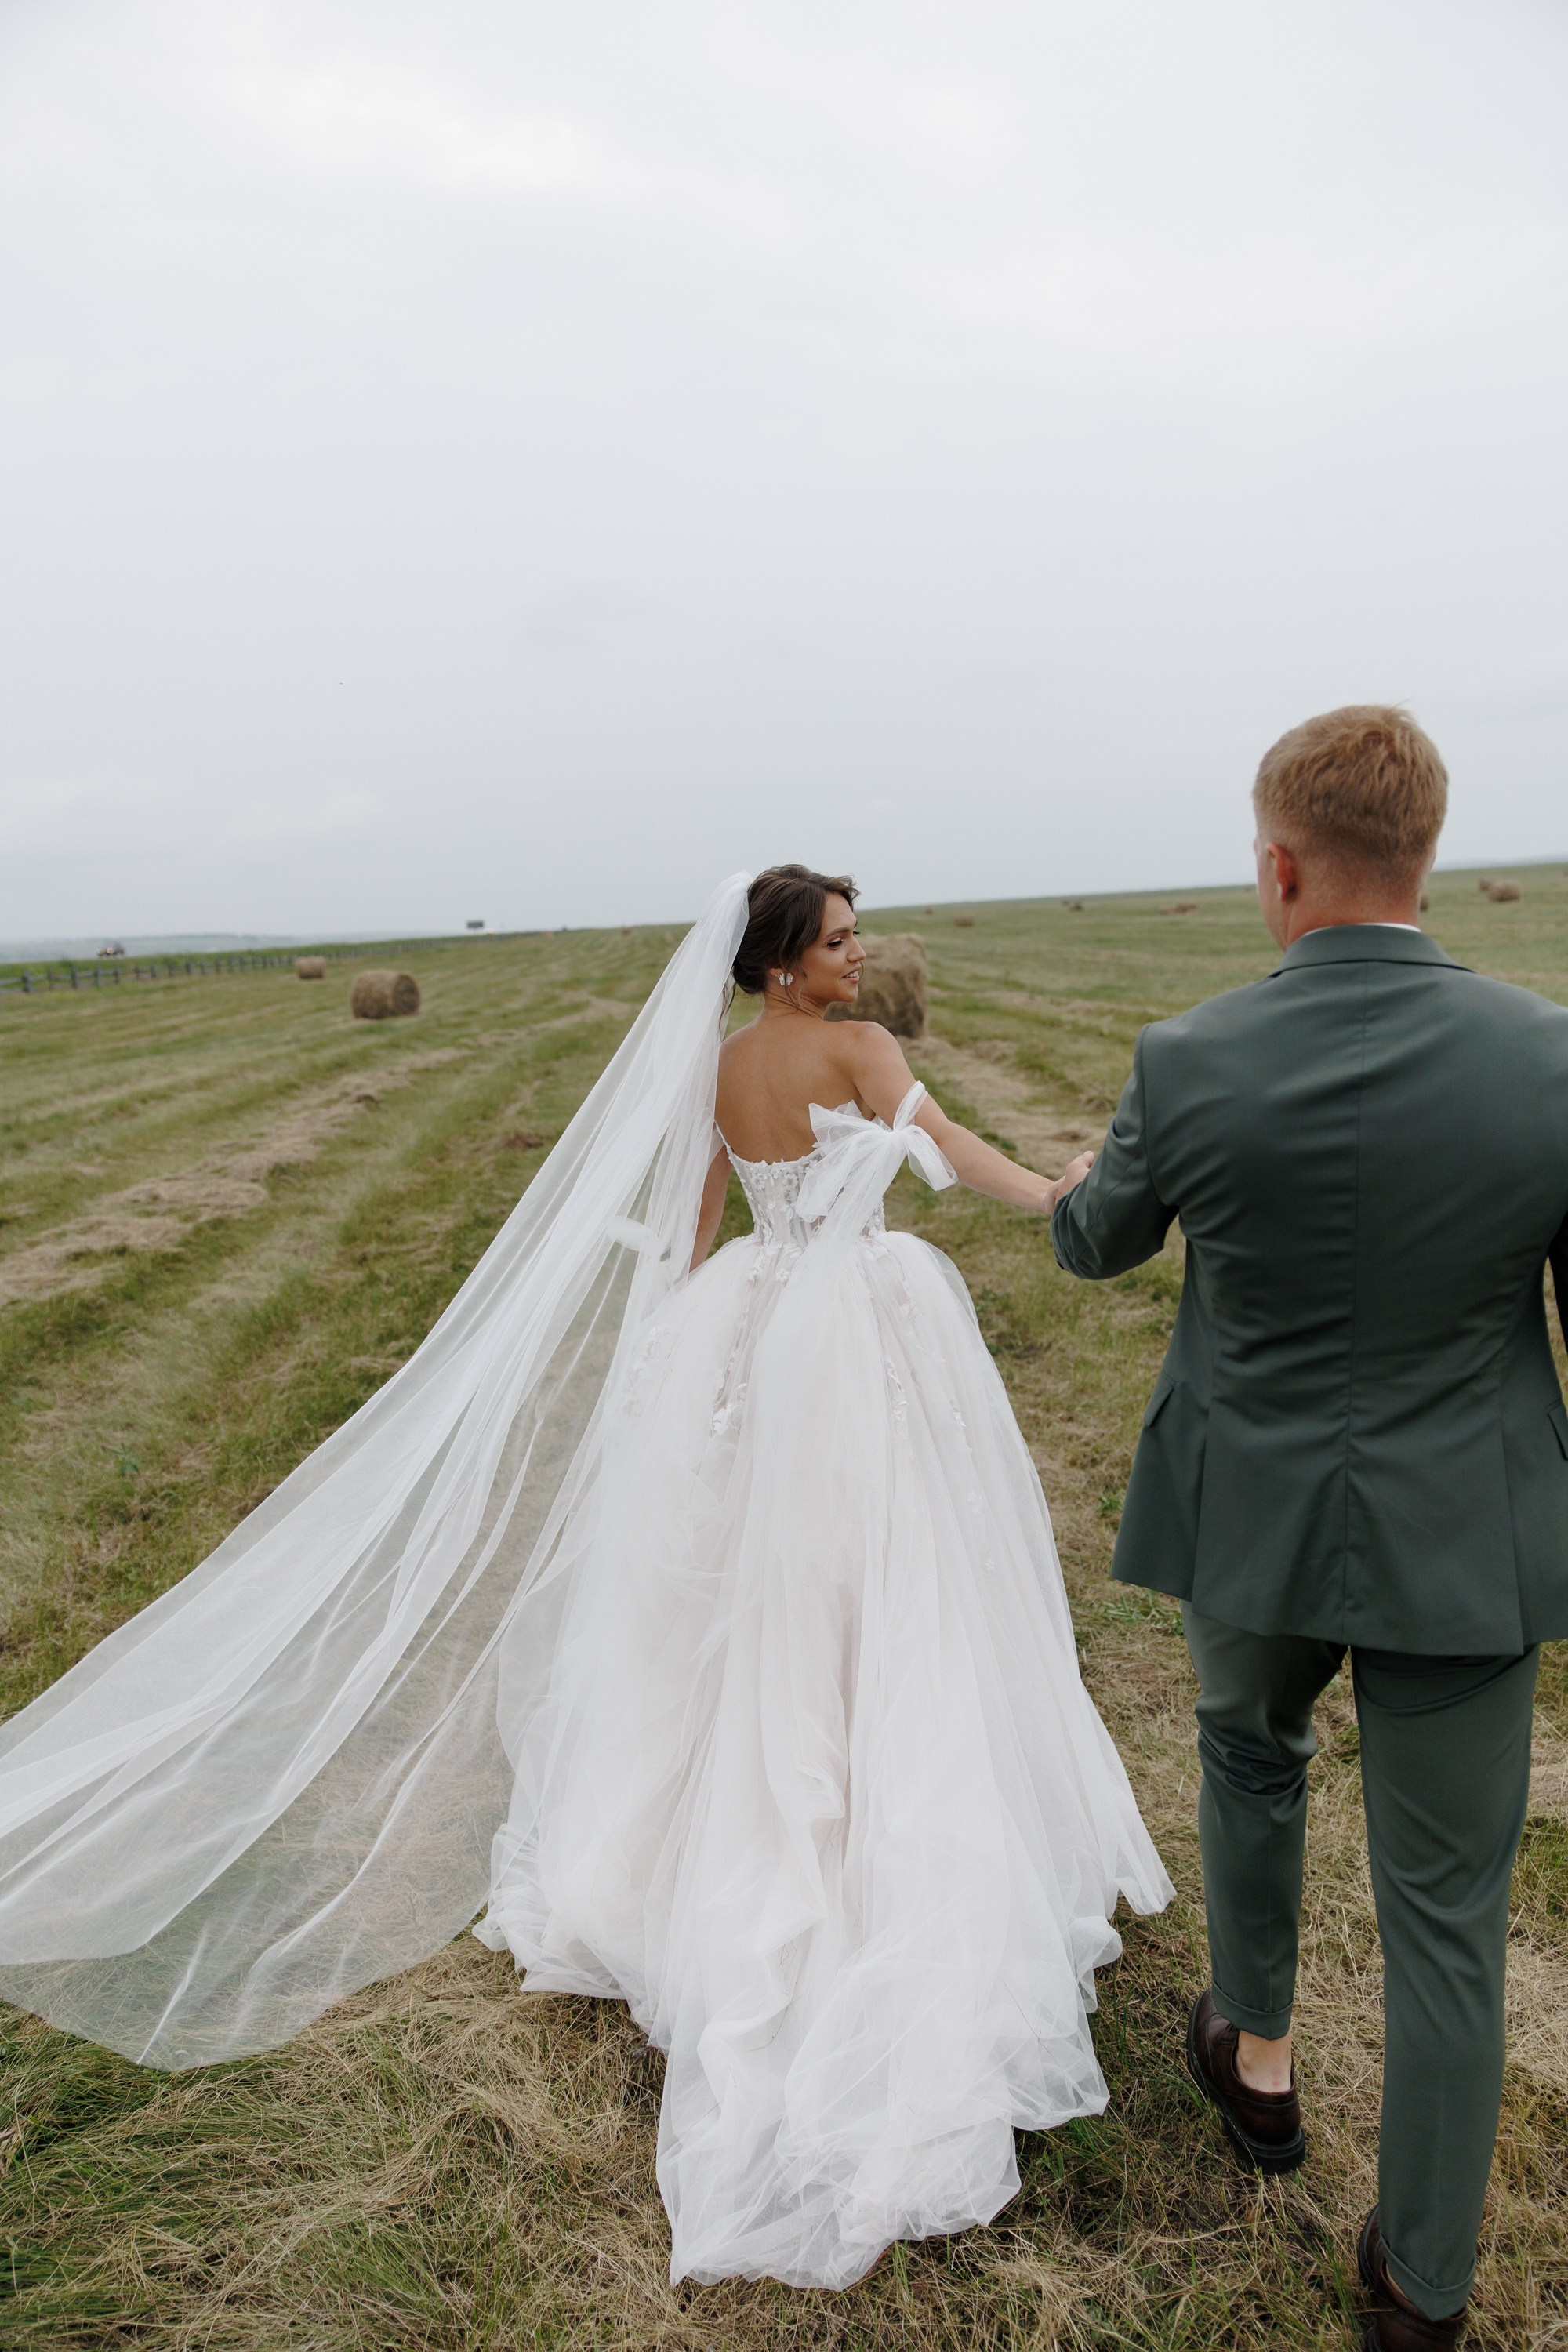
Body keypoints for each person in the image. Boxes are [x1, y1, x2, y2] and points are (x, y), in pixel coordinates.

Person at [0, 863, 1168, 2290]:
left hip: (754, 1326)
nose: (863, 960)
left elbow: (693, 1228)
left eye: (860, 941)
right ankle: (866, 1828)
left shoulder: (725, 1065)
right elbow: (954, 1150)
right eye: (843, 941)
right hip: (854, 1330)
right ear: (787, 960)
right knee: (886, 1575)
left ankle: (724, 1816)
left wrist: (687, 1356)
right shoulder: (862, 1051)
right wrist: (1055, 1185)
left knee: (756, 1593)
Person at [1051, 708, 1568, 2350]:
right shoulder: (1551, 1057)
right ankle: (1422, 2286)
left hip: (1254, 1523)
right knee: (1445, 1918)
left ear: (1279, 867)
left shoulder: (1188, 1059)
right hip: (1467, 1539)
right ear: (1428, 861)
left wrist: (1081, 1178)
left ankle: (1256, 2059)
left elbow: (1094, 1246)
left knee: (1247, 1756)